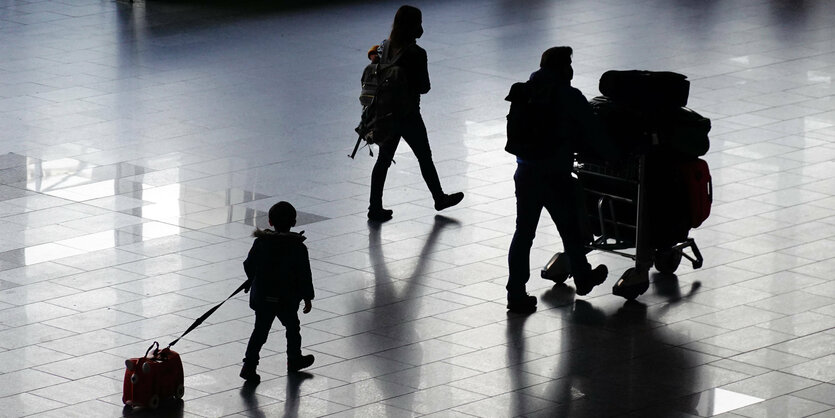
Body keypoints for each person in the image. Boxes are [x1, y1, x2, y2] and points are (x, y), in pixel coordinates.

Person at [505, 46, 611, 314]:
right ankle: (583, 277)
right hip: (554, 173)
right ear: (564, 67)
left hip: (525, 171)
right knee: (570, 227)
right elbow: (593, 131)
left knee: (524, 233)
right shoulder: (569, 95)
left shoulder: (524, 90)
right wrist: (613, 155)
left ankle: (516, 293)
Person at [367, 5, 464, 222]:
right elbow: (424, 87)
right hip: (409, 114)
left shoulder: (385, 45)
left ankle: (374, 207)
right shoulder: (417, 53)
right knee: (424, 157)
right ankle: (439, 198)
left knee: (383, 161)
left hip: (385, 113)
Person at [240, 201, 315, 382]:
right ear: (294, 222)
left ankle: (249, 365)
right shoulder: (298, 247)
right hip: (286, 299)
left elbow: (249, 265)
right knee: (292, 328)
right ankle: (294, 359)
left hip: (264, 297)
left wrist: (252, 280)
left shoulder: (261, 243)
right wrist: (307, 296)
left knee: (260, 331)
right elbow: (304, 274)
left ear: (270, 222)